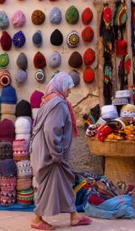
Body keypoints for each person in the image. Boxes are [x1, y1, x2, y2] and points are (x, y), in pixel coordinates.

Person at [30, 72, 92, 230]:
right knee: (48, 183)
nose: (70, 92)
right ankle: (37, 218)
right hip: (50, 152)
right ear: (61, 86)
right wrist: (56, 154)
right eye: (68, 88)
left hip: (45, 149)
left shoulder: (48, 101)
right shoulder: (58, 103)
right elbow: (51, 130)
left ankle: (74, 215)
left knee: (64, 180)